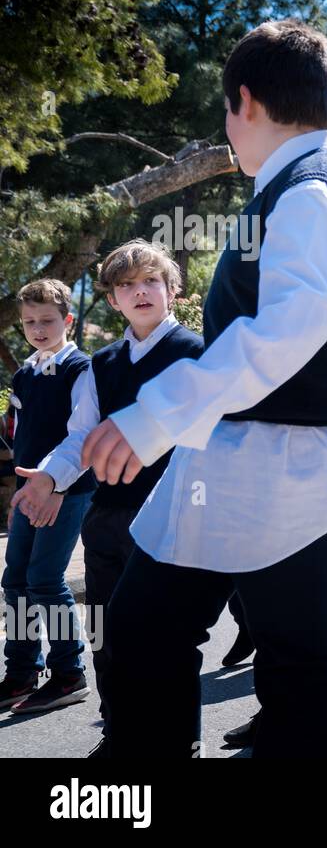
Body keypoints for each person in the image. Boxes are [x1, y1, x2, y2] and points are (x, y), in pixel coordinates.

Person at [83, 21, 327, 758]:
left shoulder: (310, 191)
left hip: (293, 464)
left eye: (226, 112)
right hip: (260, 459)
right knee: (170, 633)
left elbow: (288, 331)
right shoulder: (303, 184)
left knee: (286, 663)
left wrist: (153, 417)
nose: (226, 129)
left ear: (246, 102)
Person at [8, 243, 204, 755]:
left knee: (169, 638)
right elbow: (81, 437)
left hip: (170, 517)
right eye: (124, 285)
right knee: (106, 635)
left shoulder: (197, 353)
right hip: (108, 518)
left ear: (171, 290)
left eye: (150, 282)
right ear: (113, 300)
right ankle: (120, 734)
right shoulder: (102, 363)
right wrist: (49, 477)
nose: (138, 291)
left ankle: (180, 741)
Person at [1, 279, 96, 717]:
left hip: (65, 491)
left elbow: (84, 437)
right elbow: (21, 436)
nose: (37, 329)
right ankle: (21, 671)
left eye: (47, 320)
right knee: (15, 580)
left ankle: (68, 673)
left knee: (44, 580)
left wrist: (58, 487)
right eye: (29, 322)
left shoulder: (81, 369)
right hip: (28, 492)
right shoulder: (25, 372)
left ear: (68, 320)